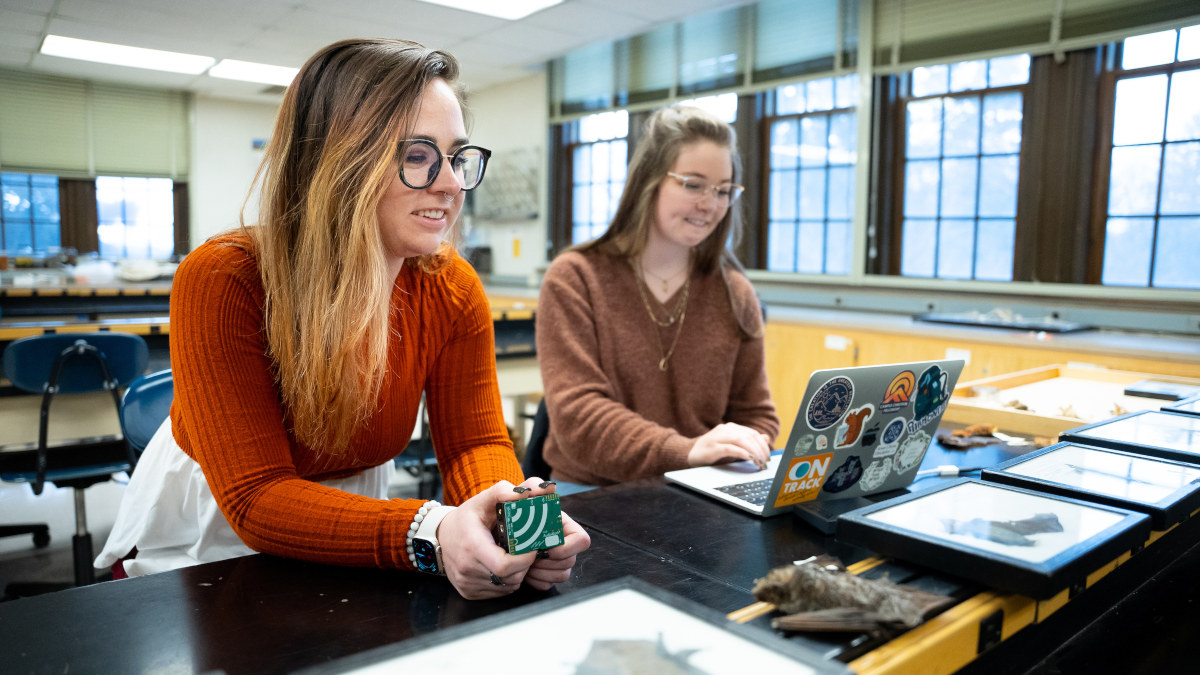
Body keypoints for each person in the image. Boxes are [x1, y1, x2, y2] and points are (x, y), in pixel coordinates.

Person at [95, 38, 589, 600]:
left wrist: (510, 520)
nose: (451, 184)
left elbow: (475, 442)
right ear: (339, 161)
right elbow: (256, 496)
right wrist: (433, 528)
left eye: (455, 156)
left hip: (354, 513)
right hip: (214, 529)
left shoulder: (451, 286)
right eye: (418, 156)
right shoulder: (224, 278)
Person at [535, 105, 780, 487]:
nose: (710, 204)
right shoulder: (575, 278)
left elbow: (757, 416)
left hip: (704, 487)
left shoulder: (735, 291)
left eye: (723, 190)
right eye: (693, 184)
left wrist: (745, 447)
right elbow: (578, 417)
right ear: (649, 181)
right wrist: (687, 452)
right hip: (591, 492)